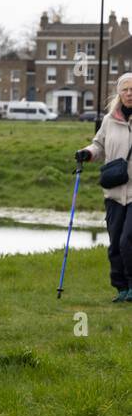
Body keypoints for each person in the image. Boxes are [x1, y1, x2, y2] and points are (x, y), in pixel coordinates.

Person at [76, 72, 132, 301]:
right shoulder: (110, 120)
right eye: (125, 90)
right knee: (114, 243)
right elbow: (98, 145)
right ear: (119, 93)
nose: (129, 93)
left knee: (128, 240)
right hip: (114, 192)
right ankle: (121, 289)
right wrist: (87, 153)